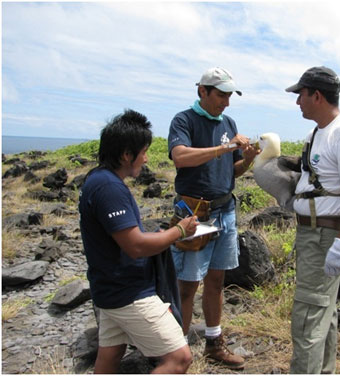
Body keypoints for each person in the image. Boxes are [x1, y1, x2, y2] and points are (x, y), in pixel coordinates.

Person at [79, 109, 198, 374]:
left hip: (109, 288)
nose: (146, 159)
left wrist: (163, 234)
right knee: (179, 358)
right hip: (128, 292)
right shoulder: (108, 188)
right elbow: (135, 246)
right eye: (143, 151)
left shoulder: (99, 180)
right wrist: (179, 231)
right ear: (126, 154)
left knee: (109, 358)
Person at [167, 67, 258, 370]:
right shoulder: (184, 120)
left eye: (230, 96)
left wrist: (248, 158)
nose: (227, 102)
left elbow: (231, 171)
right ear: (202, 92)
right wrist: (224, 147)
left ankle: (213, 344)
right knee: (187, 284)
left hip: (225, 210)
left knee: (217, 280)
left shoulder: (228, 122)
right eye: (221, 95)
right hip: (195, 213)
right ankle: (176, 352)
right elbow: (180, 156)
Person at [285, 66, 340, 374]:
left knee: (308, 317)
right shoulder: (317, 132)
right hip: (311, 234)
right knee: (323, 313)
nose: (298, 102)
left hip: (324, 236)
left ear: (317, 96)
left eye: (301, 95)